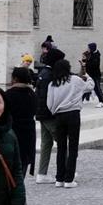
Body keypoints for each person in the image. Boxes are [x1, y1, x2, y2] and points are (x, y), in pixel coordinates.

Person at [46, 58, 93, 187]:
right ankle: (69, 179)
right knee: (72, 147)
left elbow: (49, 103)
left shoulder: (52, 84)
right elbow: (90, 87)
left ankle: (59, 178)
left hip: (59, 115)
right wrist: (88, 77)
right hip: (73, 114)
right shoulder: (75, 80)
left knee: (61, 147)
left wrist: (54, 111)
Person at [4, 67, 36, 205]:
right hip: (28, 137)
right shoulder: (32, 94)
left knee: (12, 174)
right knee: (20, 173)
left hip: (12, 136)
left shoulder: (8, 95)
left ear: (15, 79)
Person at [33, 45, 63, 184]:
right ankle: (67, 171)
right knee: (62, 142)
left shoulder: (43, 73)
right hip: (48, 114)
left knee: (46, 143)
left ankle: (42, 173)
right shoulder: (49, 76)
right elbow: (48, 97)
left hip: (41, 113)